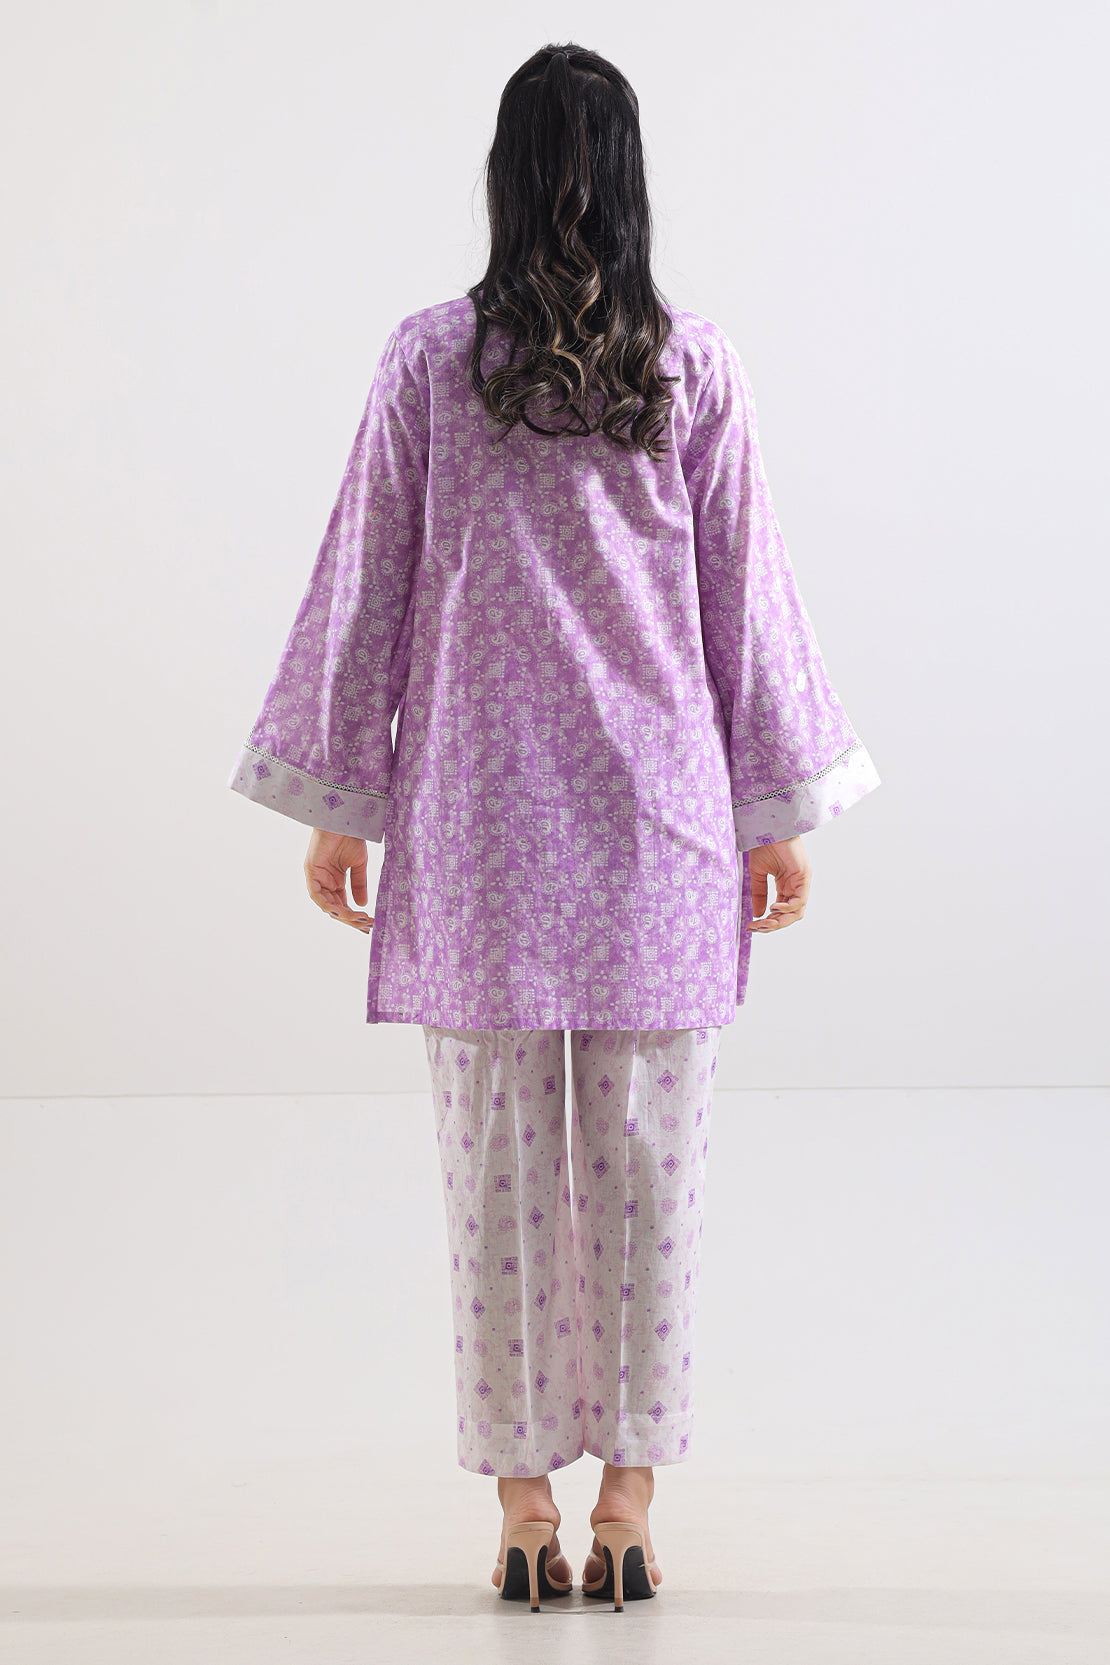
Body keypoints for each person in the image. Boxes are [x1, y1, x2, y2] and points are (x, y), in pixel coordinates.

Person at [227, 41, 881, 1611]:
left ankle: (528, 1504)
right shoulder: (686, 365)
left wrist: (338, 802)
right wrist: (774, 812)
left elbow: (368, 584)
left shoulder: (433, 362)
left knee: (503, 1167)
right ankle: (627, 1503)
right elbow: (747, 603)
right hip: (656, 816)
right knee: (649, 1164)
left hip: (483, 820)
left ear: (503, 175)